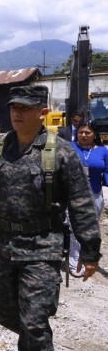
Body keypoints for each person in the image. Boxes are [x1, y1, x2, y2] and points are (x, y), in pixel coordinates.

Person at [0, 85, 101, 351]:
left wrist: (90, 251)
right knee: (1, 310)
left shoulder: (61, 152)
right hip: (3, 246)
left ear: (43, 112)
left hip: (43, 247)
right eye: (14, 107)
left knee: (36, 321)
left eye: (25, 108)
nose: (17, 113)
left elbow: (81, 203)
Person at [69, 119, 108, 277]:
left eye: (87, 132)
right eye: (80, 132)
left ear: (95, 134)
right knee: (73, 228)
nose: (83, 135)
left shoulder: (102, 151)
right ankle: (74, 259)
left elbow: (106, 172)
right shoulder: (70, 148)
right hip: (73, 195)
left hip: (95, 195)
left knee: (91, 229)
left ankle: (88, 258)